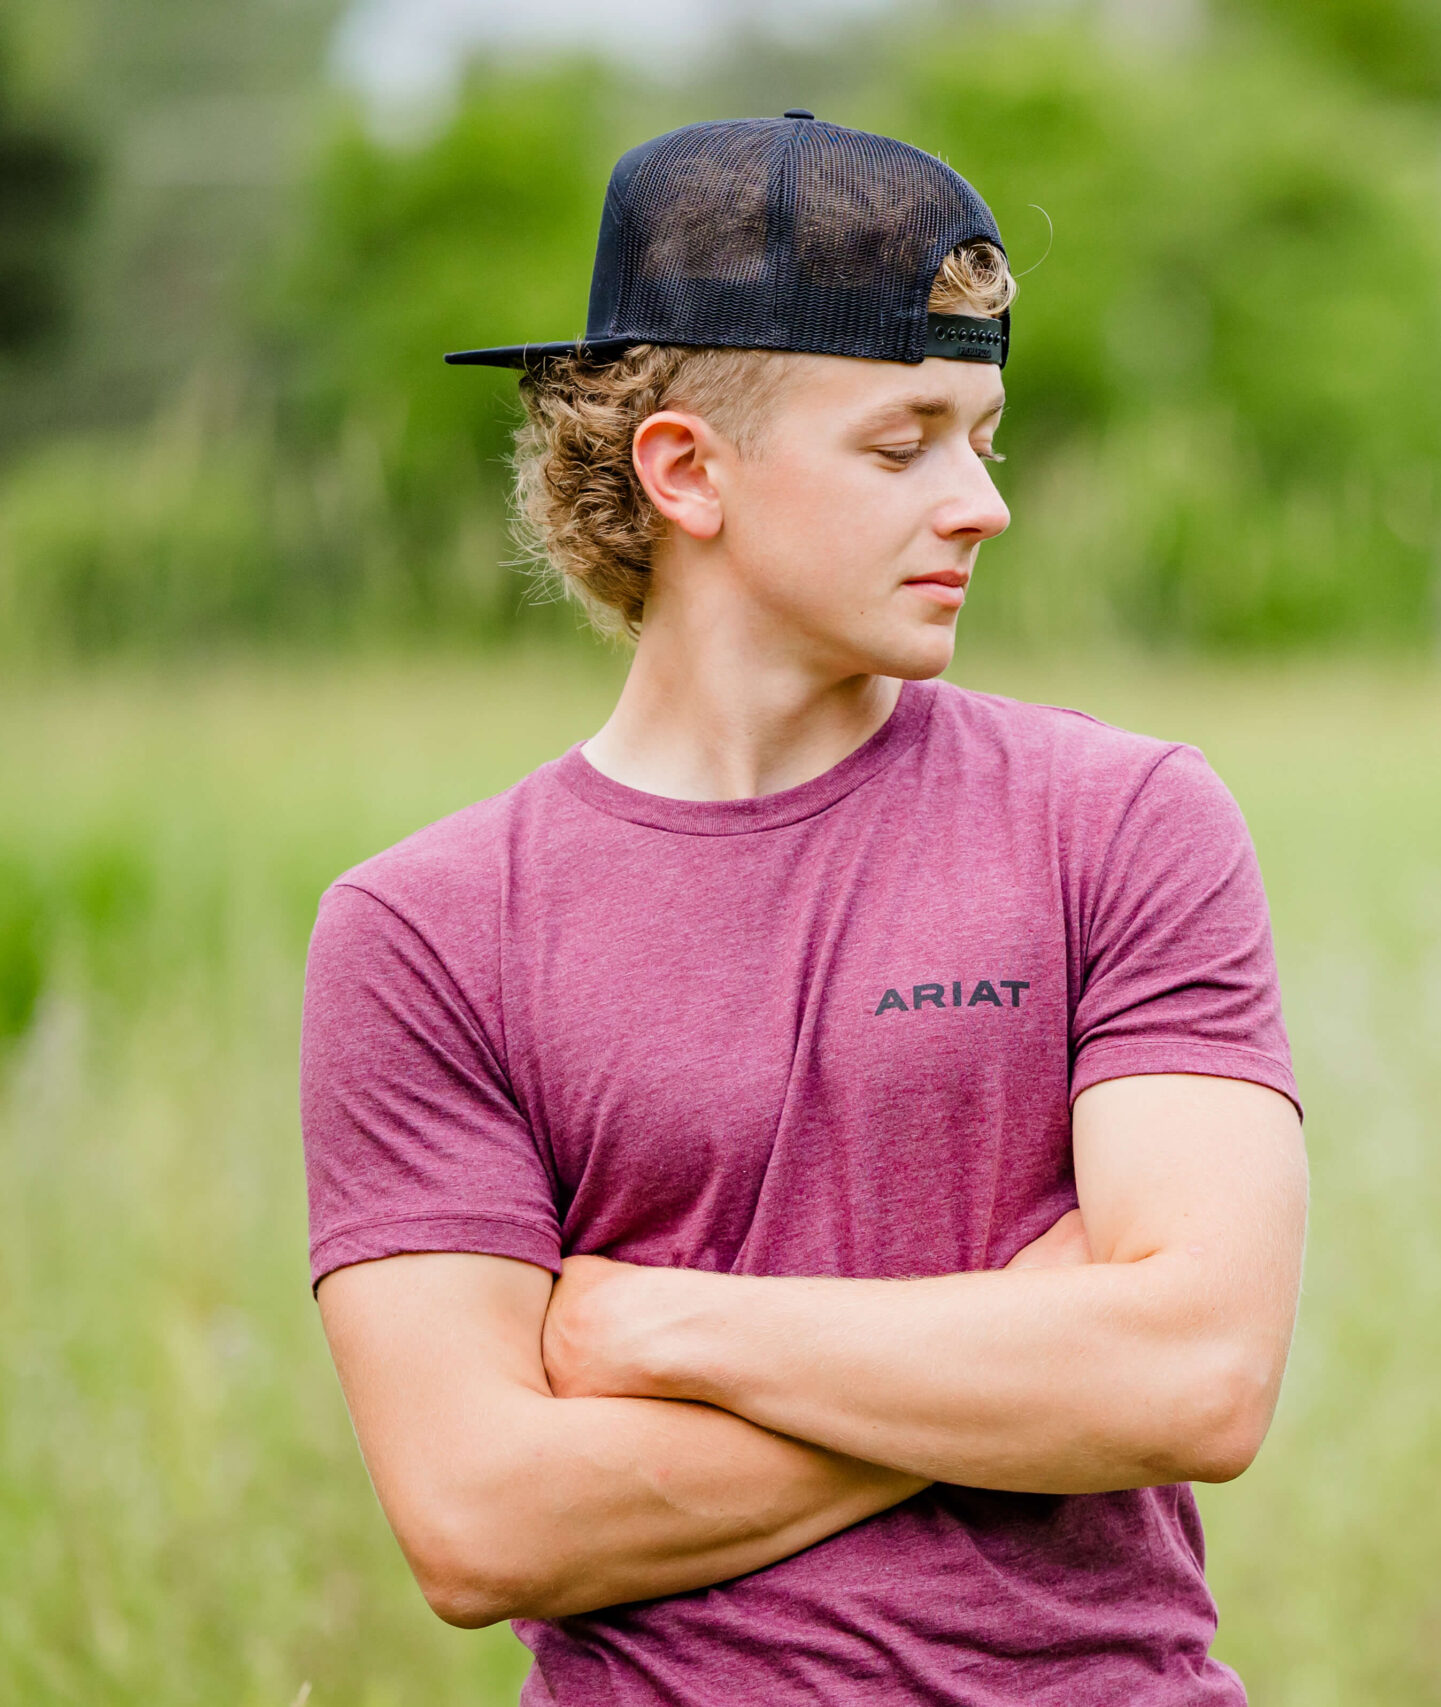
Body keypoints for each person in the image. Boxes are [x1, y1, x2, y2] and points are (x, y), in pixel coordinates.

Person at [299, 114, 1306, 1705]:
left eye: (986, 435)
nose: (983, 504)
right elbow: (481, 1524)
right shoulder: (426, 932)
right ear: (687, 470)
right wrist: (1024, 1357)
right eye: (904, 444)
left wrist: (666, 1332)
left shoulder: (1119, 824)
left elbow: (1196, 1376)